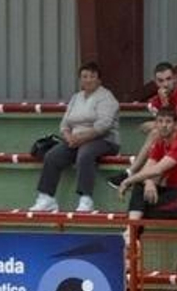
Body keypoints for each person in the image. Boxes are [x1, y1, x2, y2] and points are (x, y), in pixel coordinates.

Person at [28, 60, 120, 214]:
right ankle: (46, 198)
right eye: (84, 76)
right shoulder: (76, 98)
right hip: (75, 140)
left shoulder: (107, 97)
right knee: (52, 155)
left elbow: (103, 125)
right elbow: (65, 124)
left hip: (104, 140)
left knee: (85, 154)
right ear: (80, 80)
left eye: (92, 76)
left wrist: (81, 138)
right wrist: (68, 137)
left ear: (99, 79)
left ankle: (86, 199)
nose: (88, 79)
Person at [109, 105, 177, 220]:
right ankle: (131, 233)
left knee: (143, 211)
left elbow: (157, 170)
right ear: (156, 124)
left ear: (175, 124)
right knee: (140, 187)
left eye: (168, 122)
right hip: (172, 190)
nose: (164, 125)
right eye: (160, 121)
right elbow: (149, 167)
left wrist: (128, 181)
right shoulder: (160, 142)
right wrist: (149, 182)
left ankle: (131, 232)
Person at [127, 61, 177, 176]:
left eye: (168, 79)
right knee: (156, 133)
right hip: (170, 141)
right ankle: (137, 170)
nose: (165, 84)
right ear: (155, 82)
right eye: (161, 81)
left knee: (155, 132)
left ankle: (132, 171)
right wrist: (163, 105)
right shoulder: (156, 101)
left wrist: (163, 109)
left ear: (175, 79)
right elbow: (156, 127)